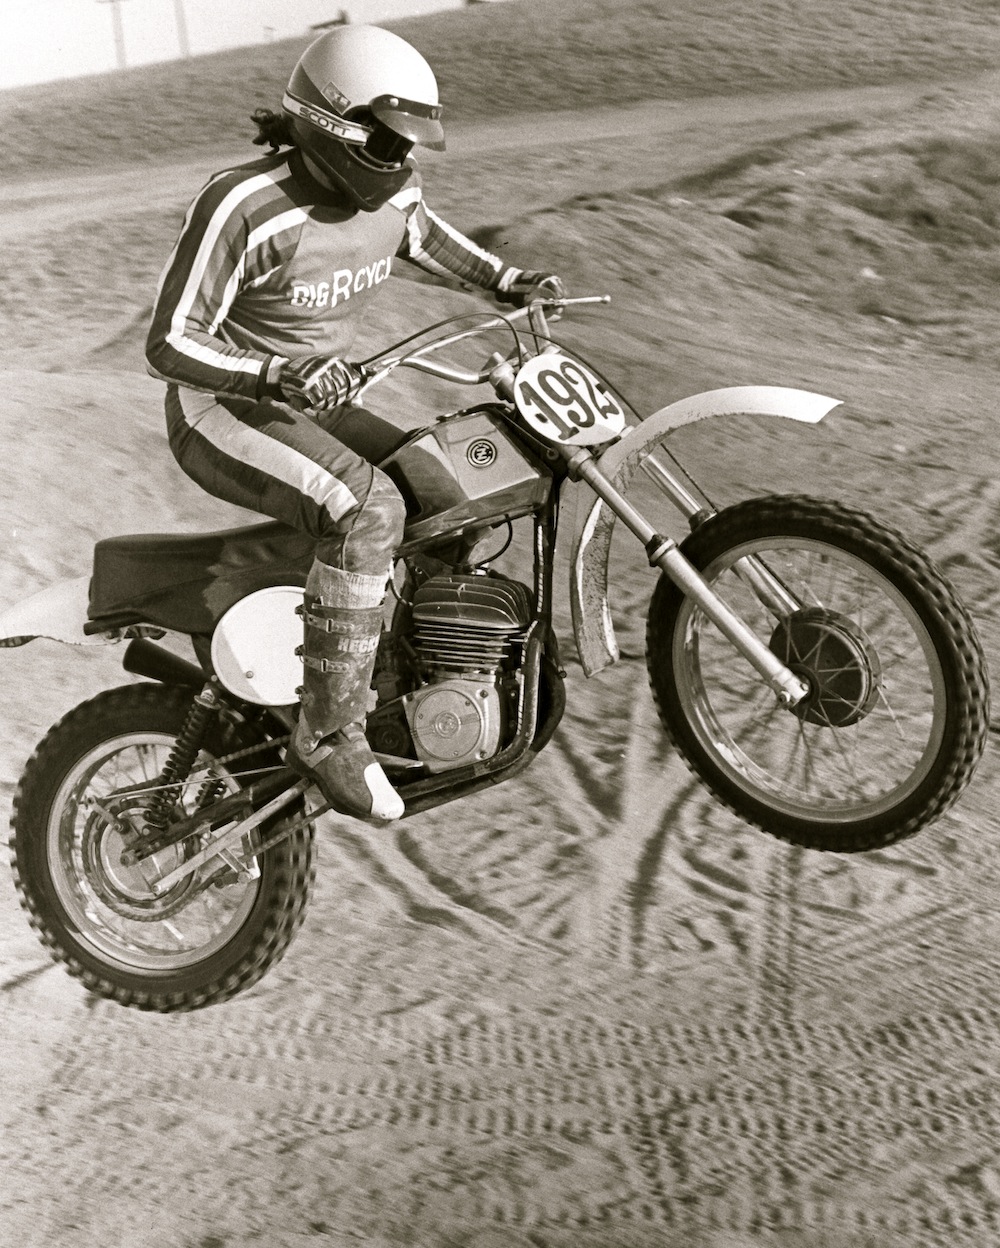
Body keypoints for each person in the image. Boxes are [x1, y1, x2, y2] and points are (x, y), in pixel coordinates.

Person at [145, 24, 565, 824]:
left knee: (449, 493)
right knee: (366, 507)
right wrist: (275, 371)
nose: (403, 161)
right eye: (387, 140)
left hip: (317, 403)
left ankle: (402, 688)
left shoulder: (394, 191)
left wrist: (517, 283)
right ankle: (328, 730)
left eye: (412, 145)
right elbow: (167, 342)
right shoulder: (244, 204)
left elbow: (436, 244)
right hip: (224, 410)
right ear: (334, 124)